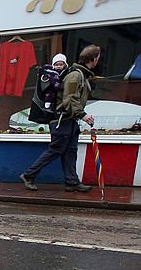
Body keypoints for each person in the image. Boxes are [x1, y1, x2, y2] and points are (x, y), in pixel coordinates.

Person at [20, 46, 99, 192]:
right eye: (98, 58)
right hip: (61, 120)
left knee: (70, 151)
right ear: (94, 59)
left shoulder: (80, 74)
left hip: (70, 120)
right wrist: (84, 115)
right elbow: (69, 99)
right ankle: (29, 175)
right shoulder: (75, 75)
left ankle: (72, 182)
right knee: (56, 150)